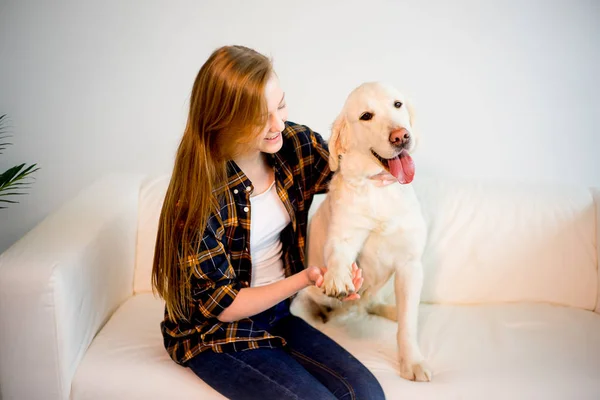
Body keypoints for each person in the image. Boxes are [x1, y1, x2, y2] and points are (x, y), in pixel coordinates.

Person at [152, 45, 390, 400]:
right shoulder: (197, 198)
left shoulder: (291, 144)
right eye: (259, 117)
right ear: (222, 121)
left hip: (277, 315)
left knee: (367, 395)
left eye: (280, 105)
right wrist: (309, 277)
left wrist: (387, 156)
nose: (278, 123)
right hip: (215, 333)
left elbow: (349, 170)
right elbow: (225, 305)